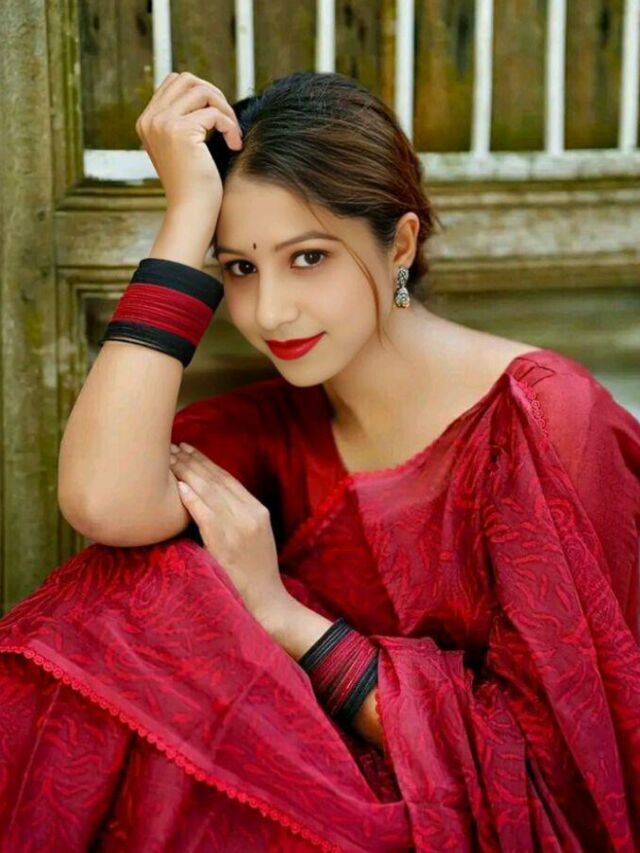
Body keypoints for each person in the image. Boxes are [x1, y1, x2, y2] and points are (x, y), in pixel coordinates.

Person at [0, 69, 638, 853]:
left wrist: (284, 618)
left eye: (307, 258)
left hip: (475, 825)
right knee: (142, 580)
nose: (270, 312)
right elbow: (103, 499)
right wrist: (185, 217)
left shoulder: (546, 420)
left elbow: (566, 778)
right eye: (239, 267)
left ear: (399, 243)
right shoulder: (275, 429)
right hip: (318, 803)